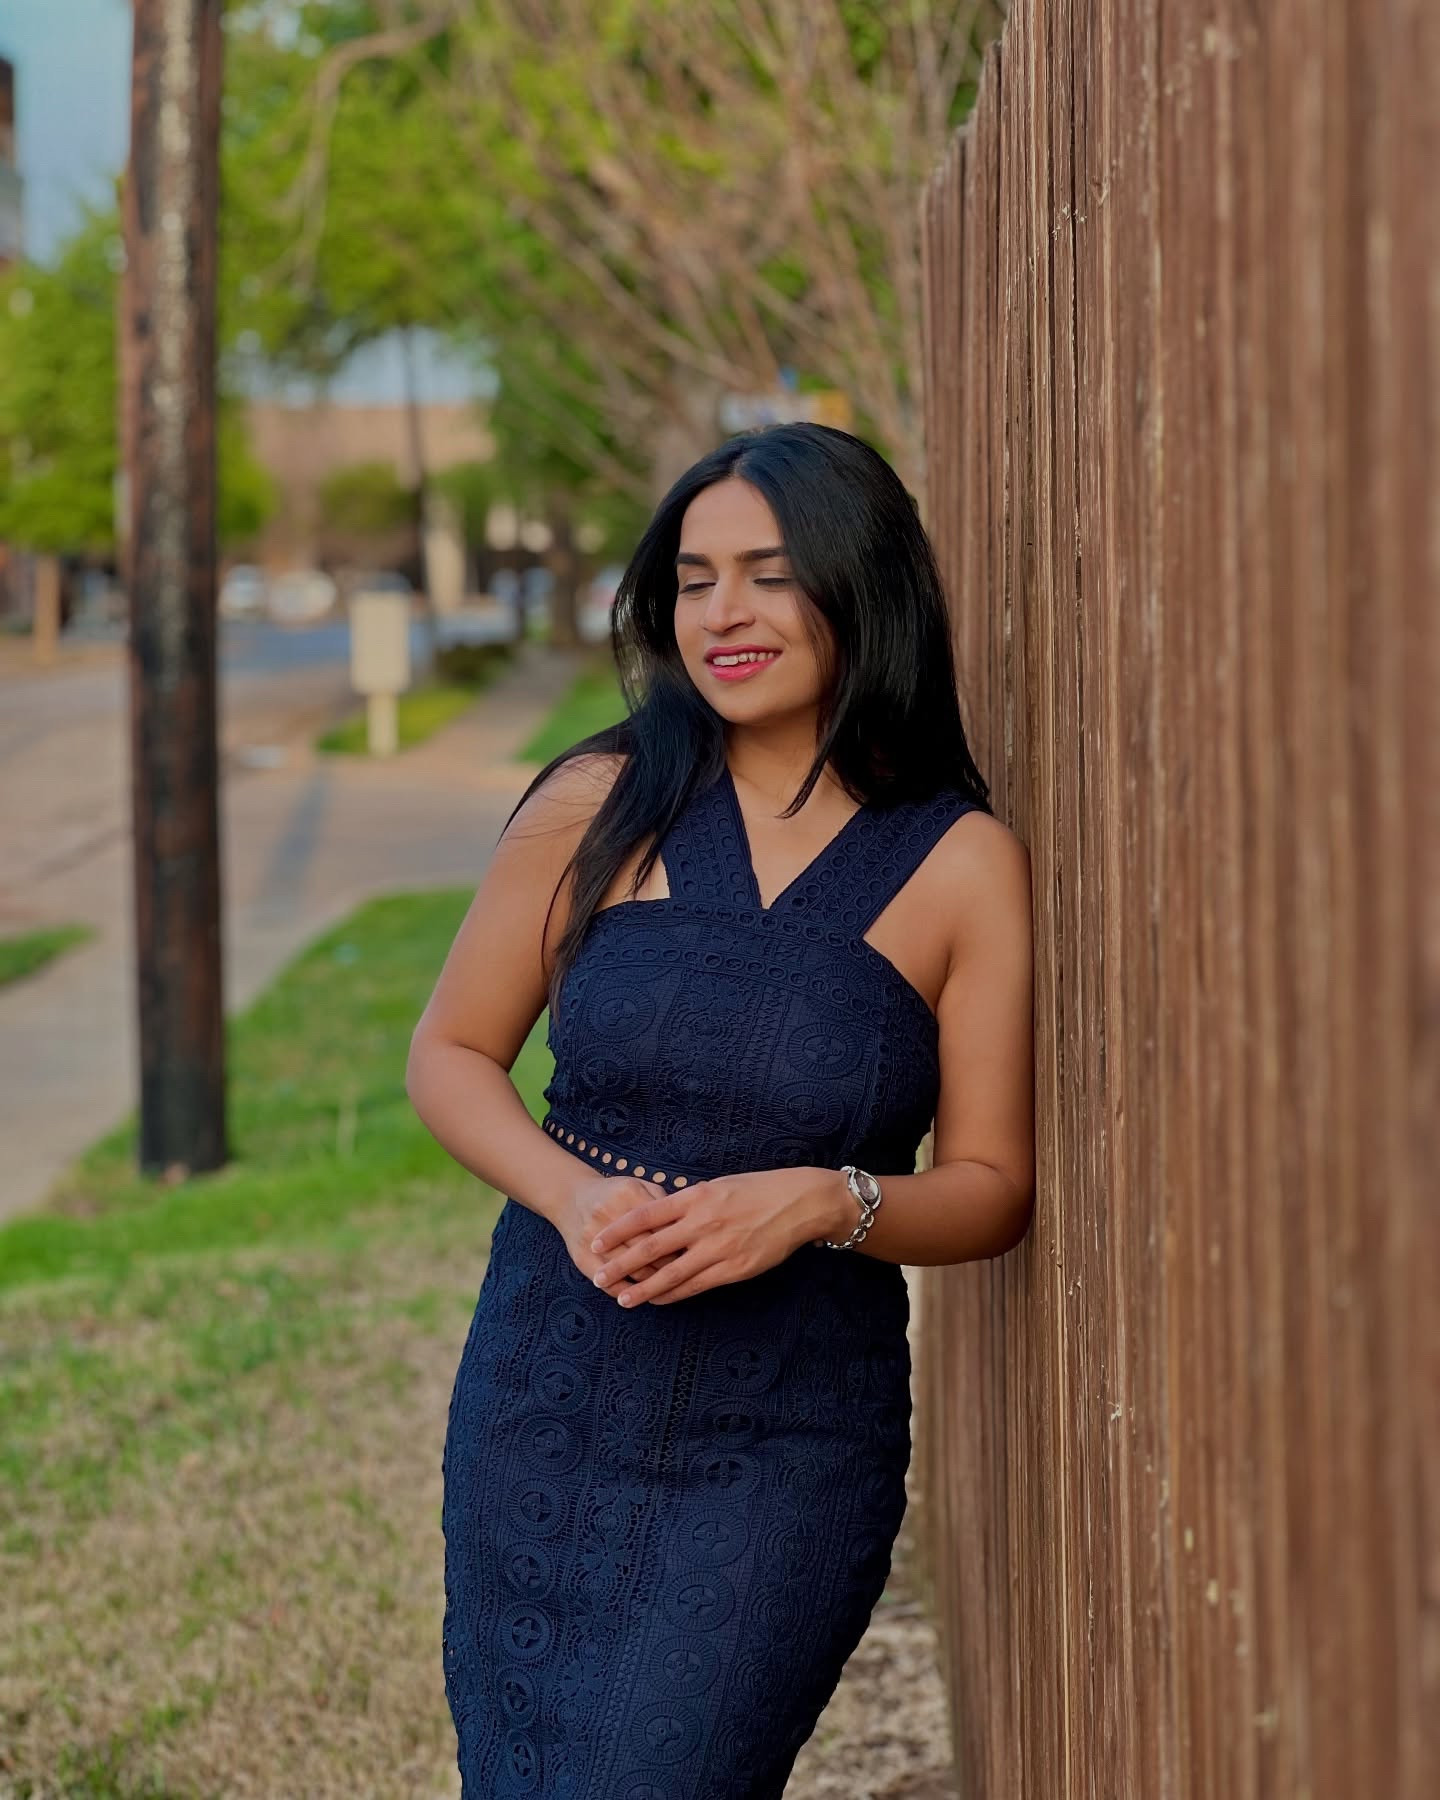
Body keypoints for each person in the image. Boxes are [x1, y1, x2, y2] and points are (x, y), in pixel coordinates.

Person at [406, 421, 1035, 1798]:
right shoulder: (597, 801)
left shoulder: (960, 866)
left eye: (766, 572)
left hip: (786, 1445)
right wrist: (569, 1195)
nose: (723, 614)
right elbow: (451, 1051)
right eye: (694, 579)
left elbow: (992, 1187)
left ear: (860, 586)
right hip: (547, 1400)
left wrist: (832, 1199)